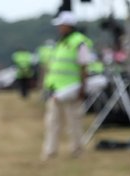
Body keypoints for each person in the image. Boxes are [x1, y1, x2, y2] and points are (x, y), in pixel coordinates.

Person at [41, 11, 96, 161]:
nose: (59, 27)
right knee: (52, 122)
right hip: (57, 89)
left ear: (69, 25)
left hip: (73, 89)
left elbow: (84, 67)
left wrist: (82, 89)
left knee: (74, 122)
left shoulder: (79, 42)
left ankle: (77, 149)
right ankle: (50, 151)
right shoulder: (61, 42)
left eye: (61, 25)